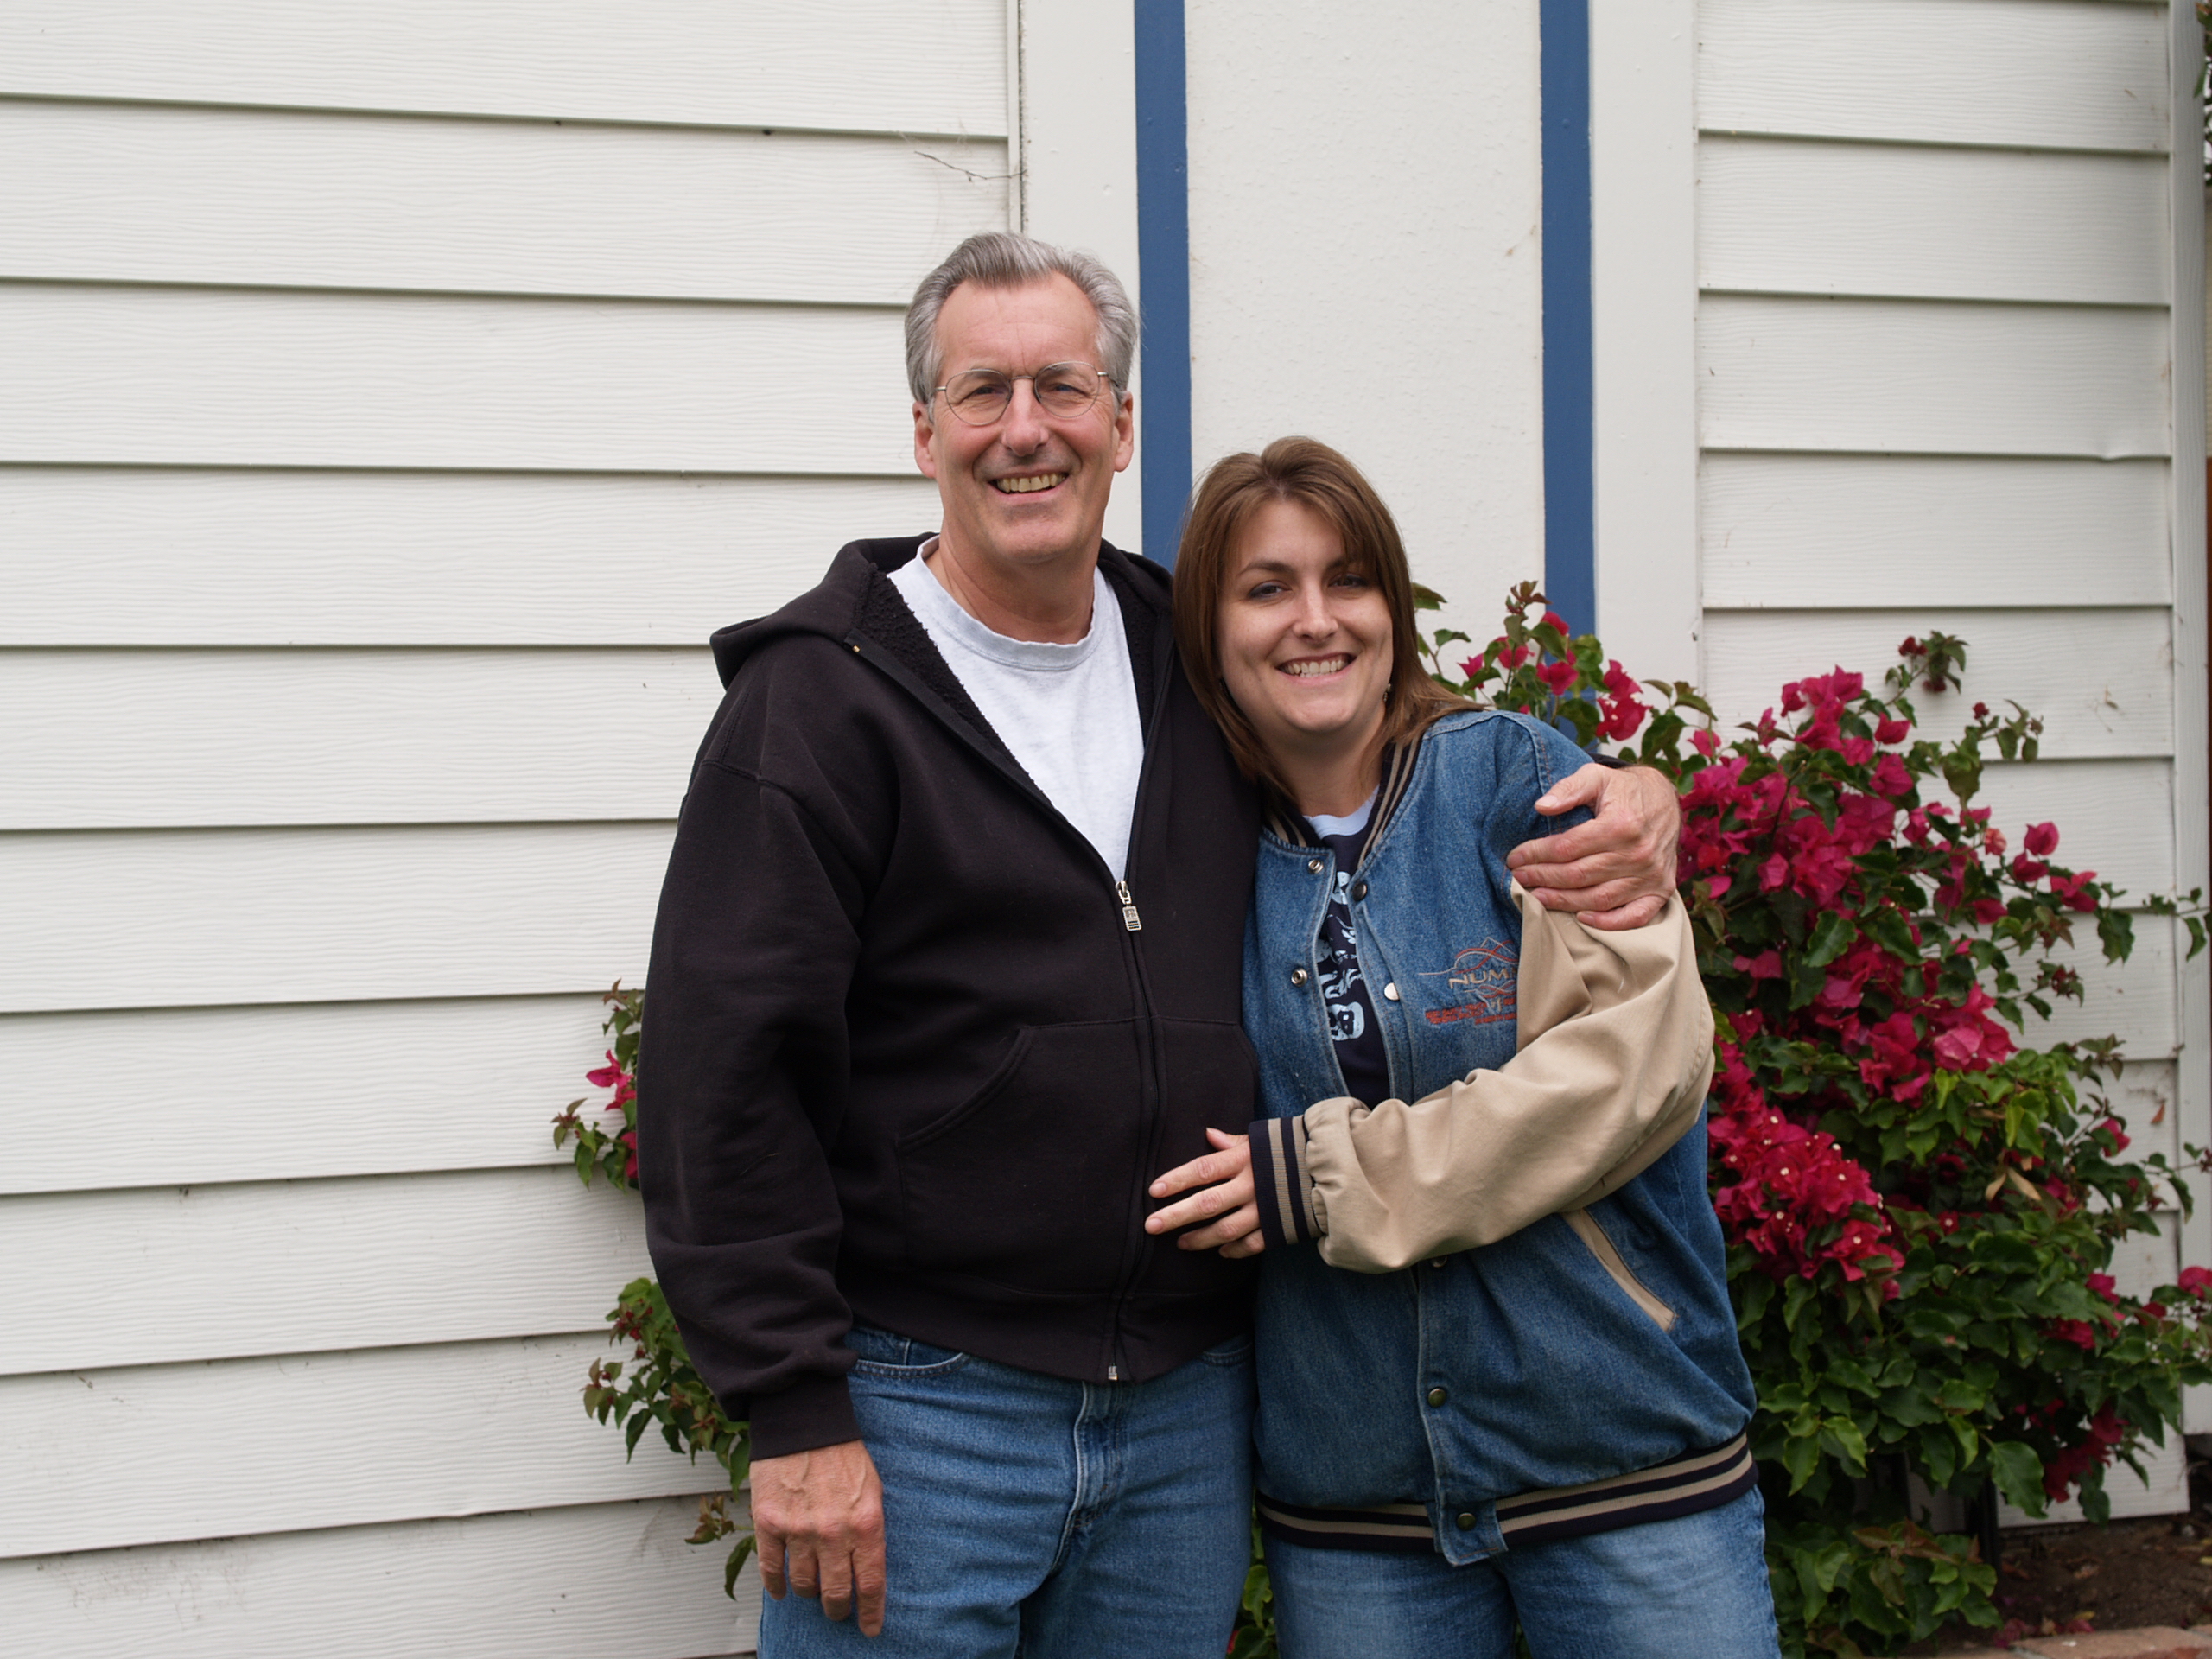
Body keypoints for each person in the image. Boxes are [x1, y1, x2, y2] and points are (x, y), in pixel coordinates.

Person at [637, 235, 1683, 1656]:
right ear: (926, 432)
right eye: (984, 391)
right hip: (926, 1406)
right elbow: (723, 1067)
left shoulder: (1187, 660)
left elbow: (1380, 742)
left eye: (1062, 388)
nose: (1026, 429)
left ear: (1120, 424)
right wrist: (792, 1406)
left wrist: (1636, 795)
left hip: (1184, 1417)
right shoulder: (822, 707)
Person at [1148, 437, 1777, 1658]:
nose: (1315, 620)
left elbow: (1638, 1070)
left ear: (1393, 606)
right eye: (1267, 587)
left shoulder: (1520, 786)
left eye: (1348, 579)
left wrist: (1319, 1180)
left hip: (1620, 1456)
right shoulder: (1191, 854)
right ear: (1210, 631)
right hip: (1358, 1507)